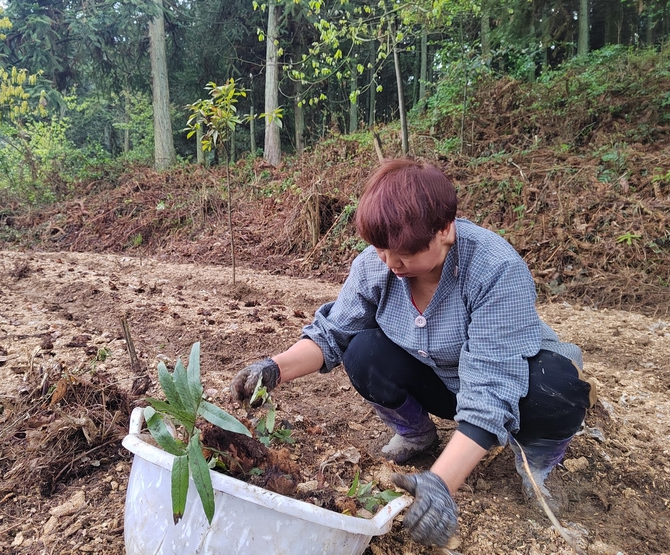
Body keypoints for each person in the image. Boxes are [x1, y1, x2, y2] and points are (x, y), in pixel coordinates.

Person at [230, 159, 595, 548]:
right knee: (363, 351)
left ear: (445, 230)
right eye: (380, 250)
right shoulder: (379, 264)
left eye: (403, 253)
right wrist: (274, 369)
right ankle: (417, 436)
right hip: (439, 380)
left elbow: (492, 386)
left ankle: (535, 459)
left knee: (555, 387)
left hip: (515, 388)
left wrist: (441, 483)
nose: (389, 262)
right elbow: (332, 333)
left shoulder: (495, 268)